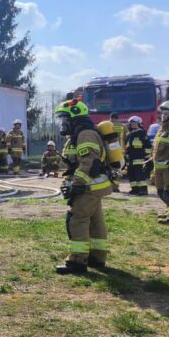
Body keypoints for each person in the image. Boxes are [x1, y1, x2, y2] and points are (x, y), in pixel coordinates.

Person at [54, 99, 111, 275]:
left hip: (87, 187)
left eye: (65, 119)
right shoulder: (81, 133)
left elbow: (90, 163)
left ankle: (77, 261)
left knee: (77, 219)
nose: (63, 123)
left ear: (74, 118)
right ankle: (97, 256)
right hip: (93, 186)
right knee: (95, 222)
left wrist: (76, 184)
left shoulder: (85, 134)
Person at [123, 116, 151, 196]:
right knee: (131, 173)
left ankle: (143, 190)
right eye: (131, 123)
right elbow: (126, 145)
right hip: (130, 157)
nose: (132, 124)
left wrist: (147, 156)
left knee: (139, 173)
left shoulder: (142, 133)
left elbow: (147, 145)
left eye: (134, 123)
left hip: (139, 157)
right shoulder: (129, 134)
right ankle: (134, 189)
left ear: (138, 124)